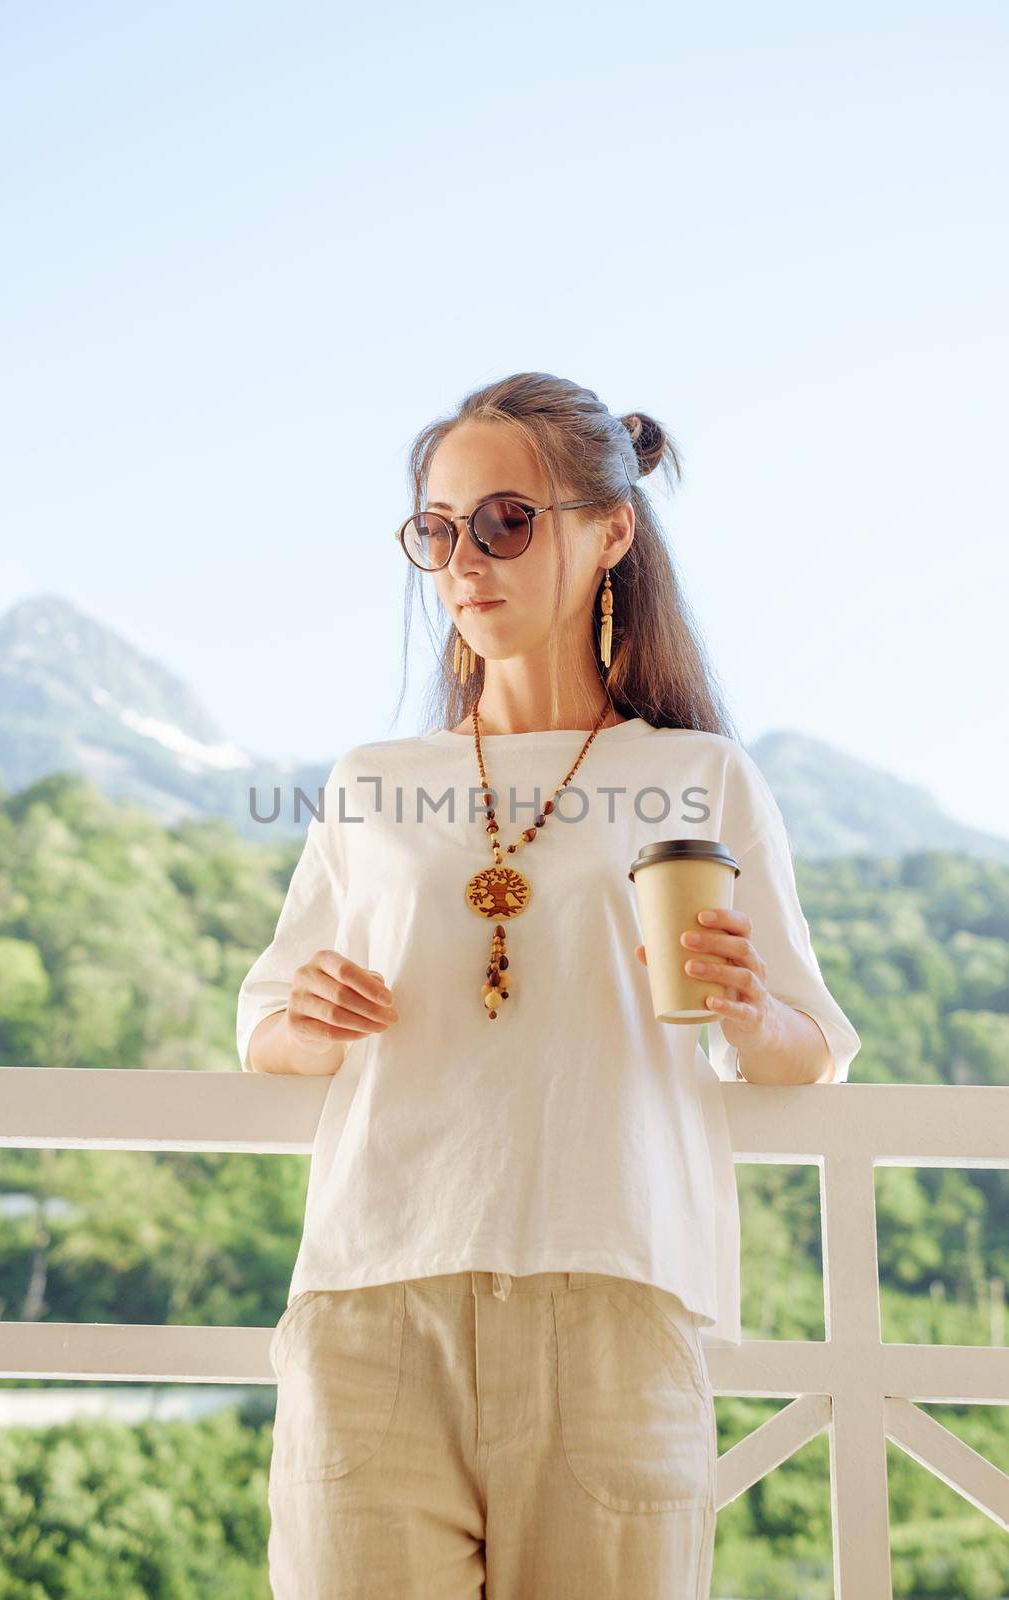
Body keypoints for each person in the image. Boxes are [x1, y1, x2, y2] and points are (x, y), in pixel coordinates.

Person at [236, 370, 862, 1599]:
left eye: (507, 520)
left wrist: (742, 1009)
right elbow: (265, 1021)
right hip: (370, 1297)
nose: (467, 559)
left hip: (614, 1301)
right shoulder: (370, 782)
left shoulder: (699, 776)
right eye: (439, 529)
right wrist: (303, 1018)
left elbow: (807, 1050)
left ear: (608, 531)